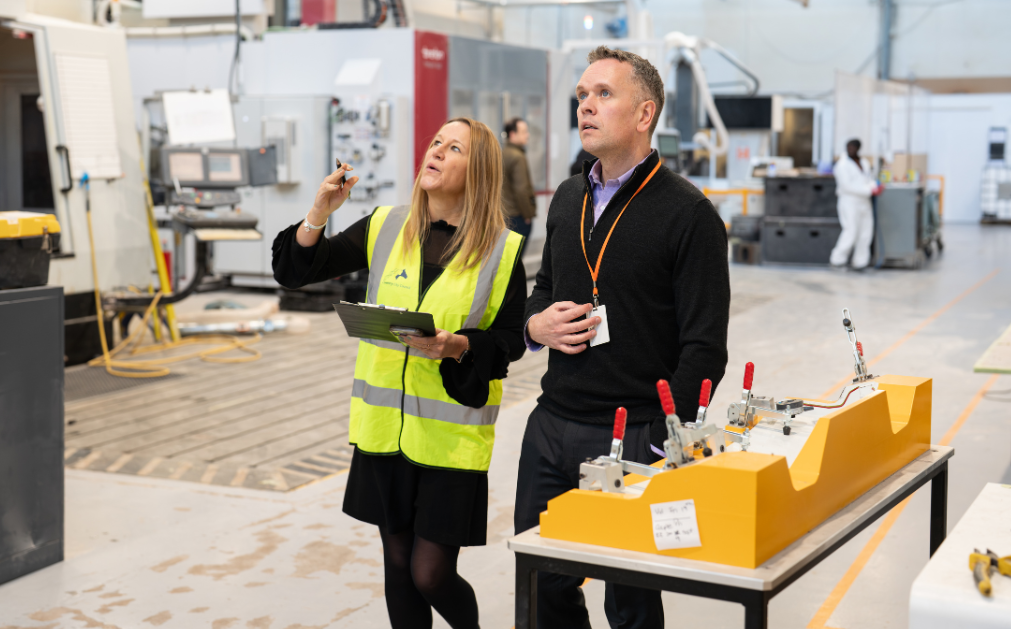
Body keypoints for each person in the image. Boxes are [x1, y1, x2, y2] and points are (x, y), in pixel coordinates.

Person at [272, 117, 527, 629]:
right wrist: (319, 212)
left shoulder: (503, 251)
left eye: (453, 148)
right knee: (396, 565)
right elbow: (295, 271)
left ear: (476, 170)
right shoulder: (385, 225)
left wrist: (458, 346)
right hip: (384, 433)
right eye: (435, 142)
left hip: (449, 440)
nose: (436, 152)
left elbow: (507, 344)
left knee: (430, 573)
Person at [514, 46, 730, 629]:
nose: (585, 105)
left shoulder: (688, 214)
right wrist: (535, 326)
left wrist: (667, 435)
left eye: (603, 94)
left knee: (630, 600)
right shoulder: (567, 196)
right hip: (553, 421)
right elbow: (542, 291)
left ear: (644, 114)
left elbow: (705, 347)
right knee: (541, 582)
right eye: (582, 95)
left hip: (635, 431)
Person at [830, 138, 881, 270]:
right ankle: (837, 260)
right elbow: (846, 186)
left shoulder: (863, 162)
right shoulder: (841, 165)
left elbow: (867, 179)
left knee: (865, 232)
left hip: (864, 202)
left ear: (858, 148)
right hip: (849, 201)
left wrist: (874, 186)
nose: (850, 149)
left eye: (853, 147)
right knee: (851, 231)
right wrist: (869, 190)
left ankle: (860, 262)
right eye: (848, 147)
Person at [502, 117, 537, 259]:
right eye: (523, 132)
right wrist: (528, 215)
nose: (527, 135)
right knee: (515, 260)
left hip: (504, 215)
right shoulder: (517, 157)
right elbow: (521, 190)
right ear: (512, 135)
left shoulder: (502, 153)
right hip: (517, 216)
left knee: (506, 259)